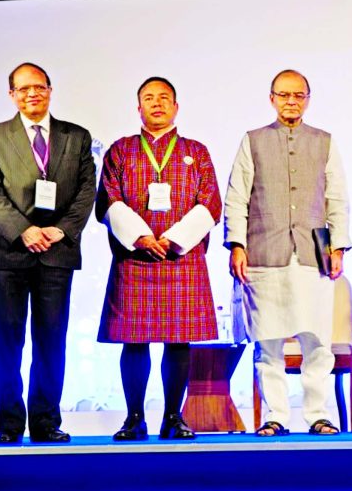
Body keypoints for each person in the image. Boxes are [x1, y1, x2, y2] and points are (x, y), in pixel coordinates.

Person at [0, 62, 96, 444]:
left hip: (56, 252)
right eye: (24, 89)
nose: (33, 94)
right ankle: (9, 425)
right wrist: (24, 230)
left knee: (51, 342)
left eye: (39, 87)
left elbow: (85, 192)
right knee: (6, 342)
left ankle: (46, 423)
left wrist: (59, 230)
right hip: (9, 253)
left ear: (50, 90)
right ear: (12, 94)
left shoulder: (76, 137)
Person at [225, 69, 350, 436]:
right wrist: (237, 245)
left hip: (314, 256)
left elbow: (337, 198)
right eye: (284, 95)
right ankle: (274, 416)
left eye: (298, 95)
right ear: (272, 99)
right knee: (268, 342)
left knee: (317, 341)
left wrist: (338, 246)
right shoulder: (252, 141)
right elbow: (236, 197)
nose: (291, 101)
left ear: (308, 99)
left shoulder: (325, 141)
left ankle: (317, 415)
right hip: (264, 253)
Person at [97, 77, 222, 441]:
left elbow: (210, 203)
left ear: (176, 107)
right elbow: (108, 199)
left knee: (178, 340)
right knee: (133, 341)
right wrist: (139, 237)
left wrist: (173, 239)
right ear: (138, 108)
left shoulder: (196, 151)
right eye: (148, 99)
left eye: (164, 98)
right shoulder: (121, 150)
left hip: (180, 257)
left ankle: (173, 417)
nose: (157, 104)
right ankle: (134, 418)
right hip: (135, 258)